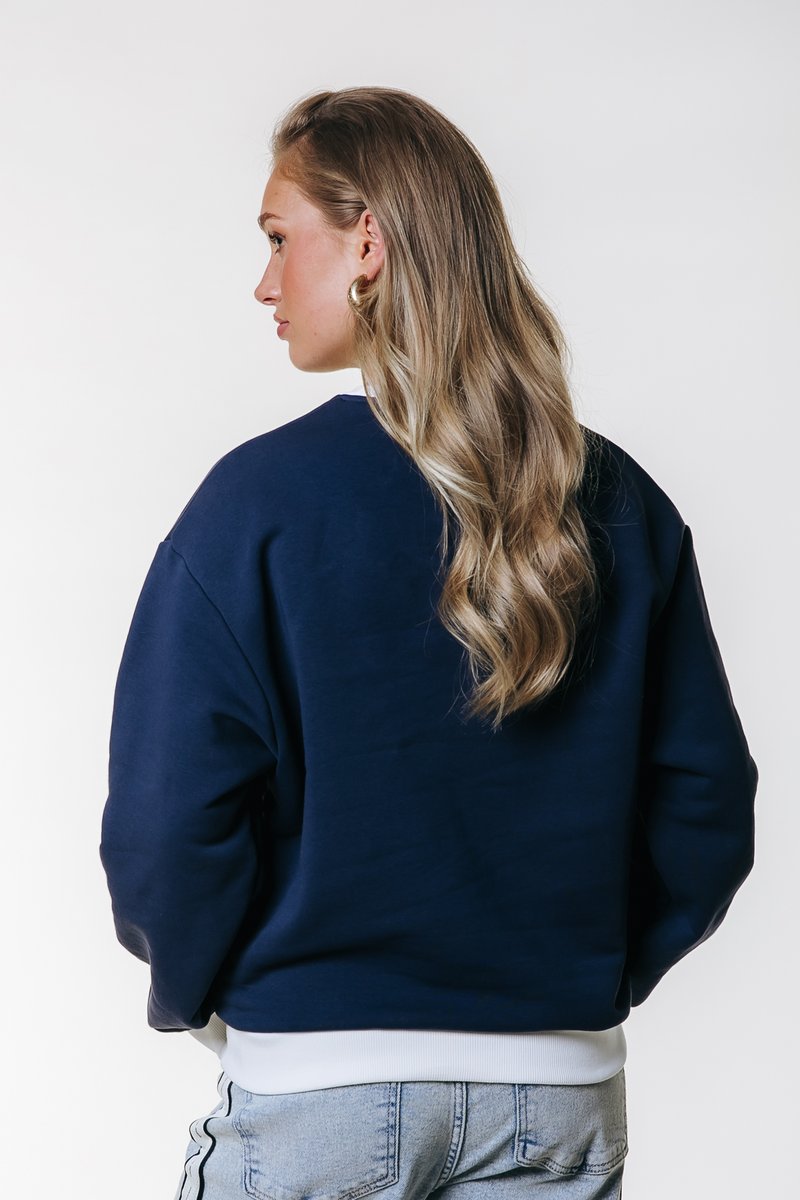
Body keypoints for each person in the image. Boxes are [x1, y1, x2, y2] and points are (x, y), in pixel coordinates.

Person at [99, 86, 758, 1200]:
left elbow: (169, 820)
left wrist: (207, 996)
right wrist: (568, 982)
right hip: (556, 1104)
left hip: (319, 1090)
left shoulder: (254, 508)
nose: (264, 282)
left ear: (367, 243)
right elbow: (705, 805)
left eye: (278, 239)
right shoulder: (619, 503)